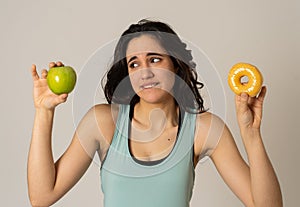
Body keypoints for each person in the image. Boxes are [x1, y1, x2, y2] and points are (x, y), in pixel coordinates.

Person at [27, 19, 283, 207]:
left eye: (155, 59)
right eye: (134, 63)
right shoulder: (103, 122)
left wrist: (252, 135)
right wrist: (44, 112)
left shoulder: (204, 129)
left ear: (175, 63)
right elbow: (42, 196)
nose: (145, 72)